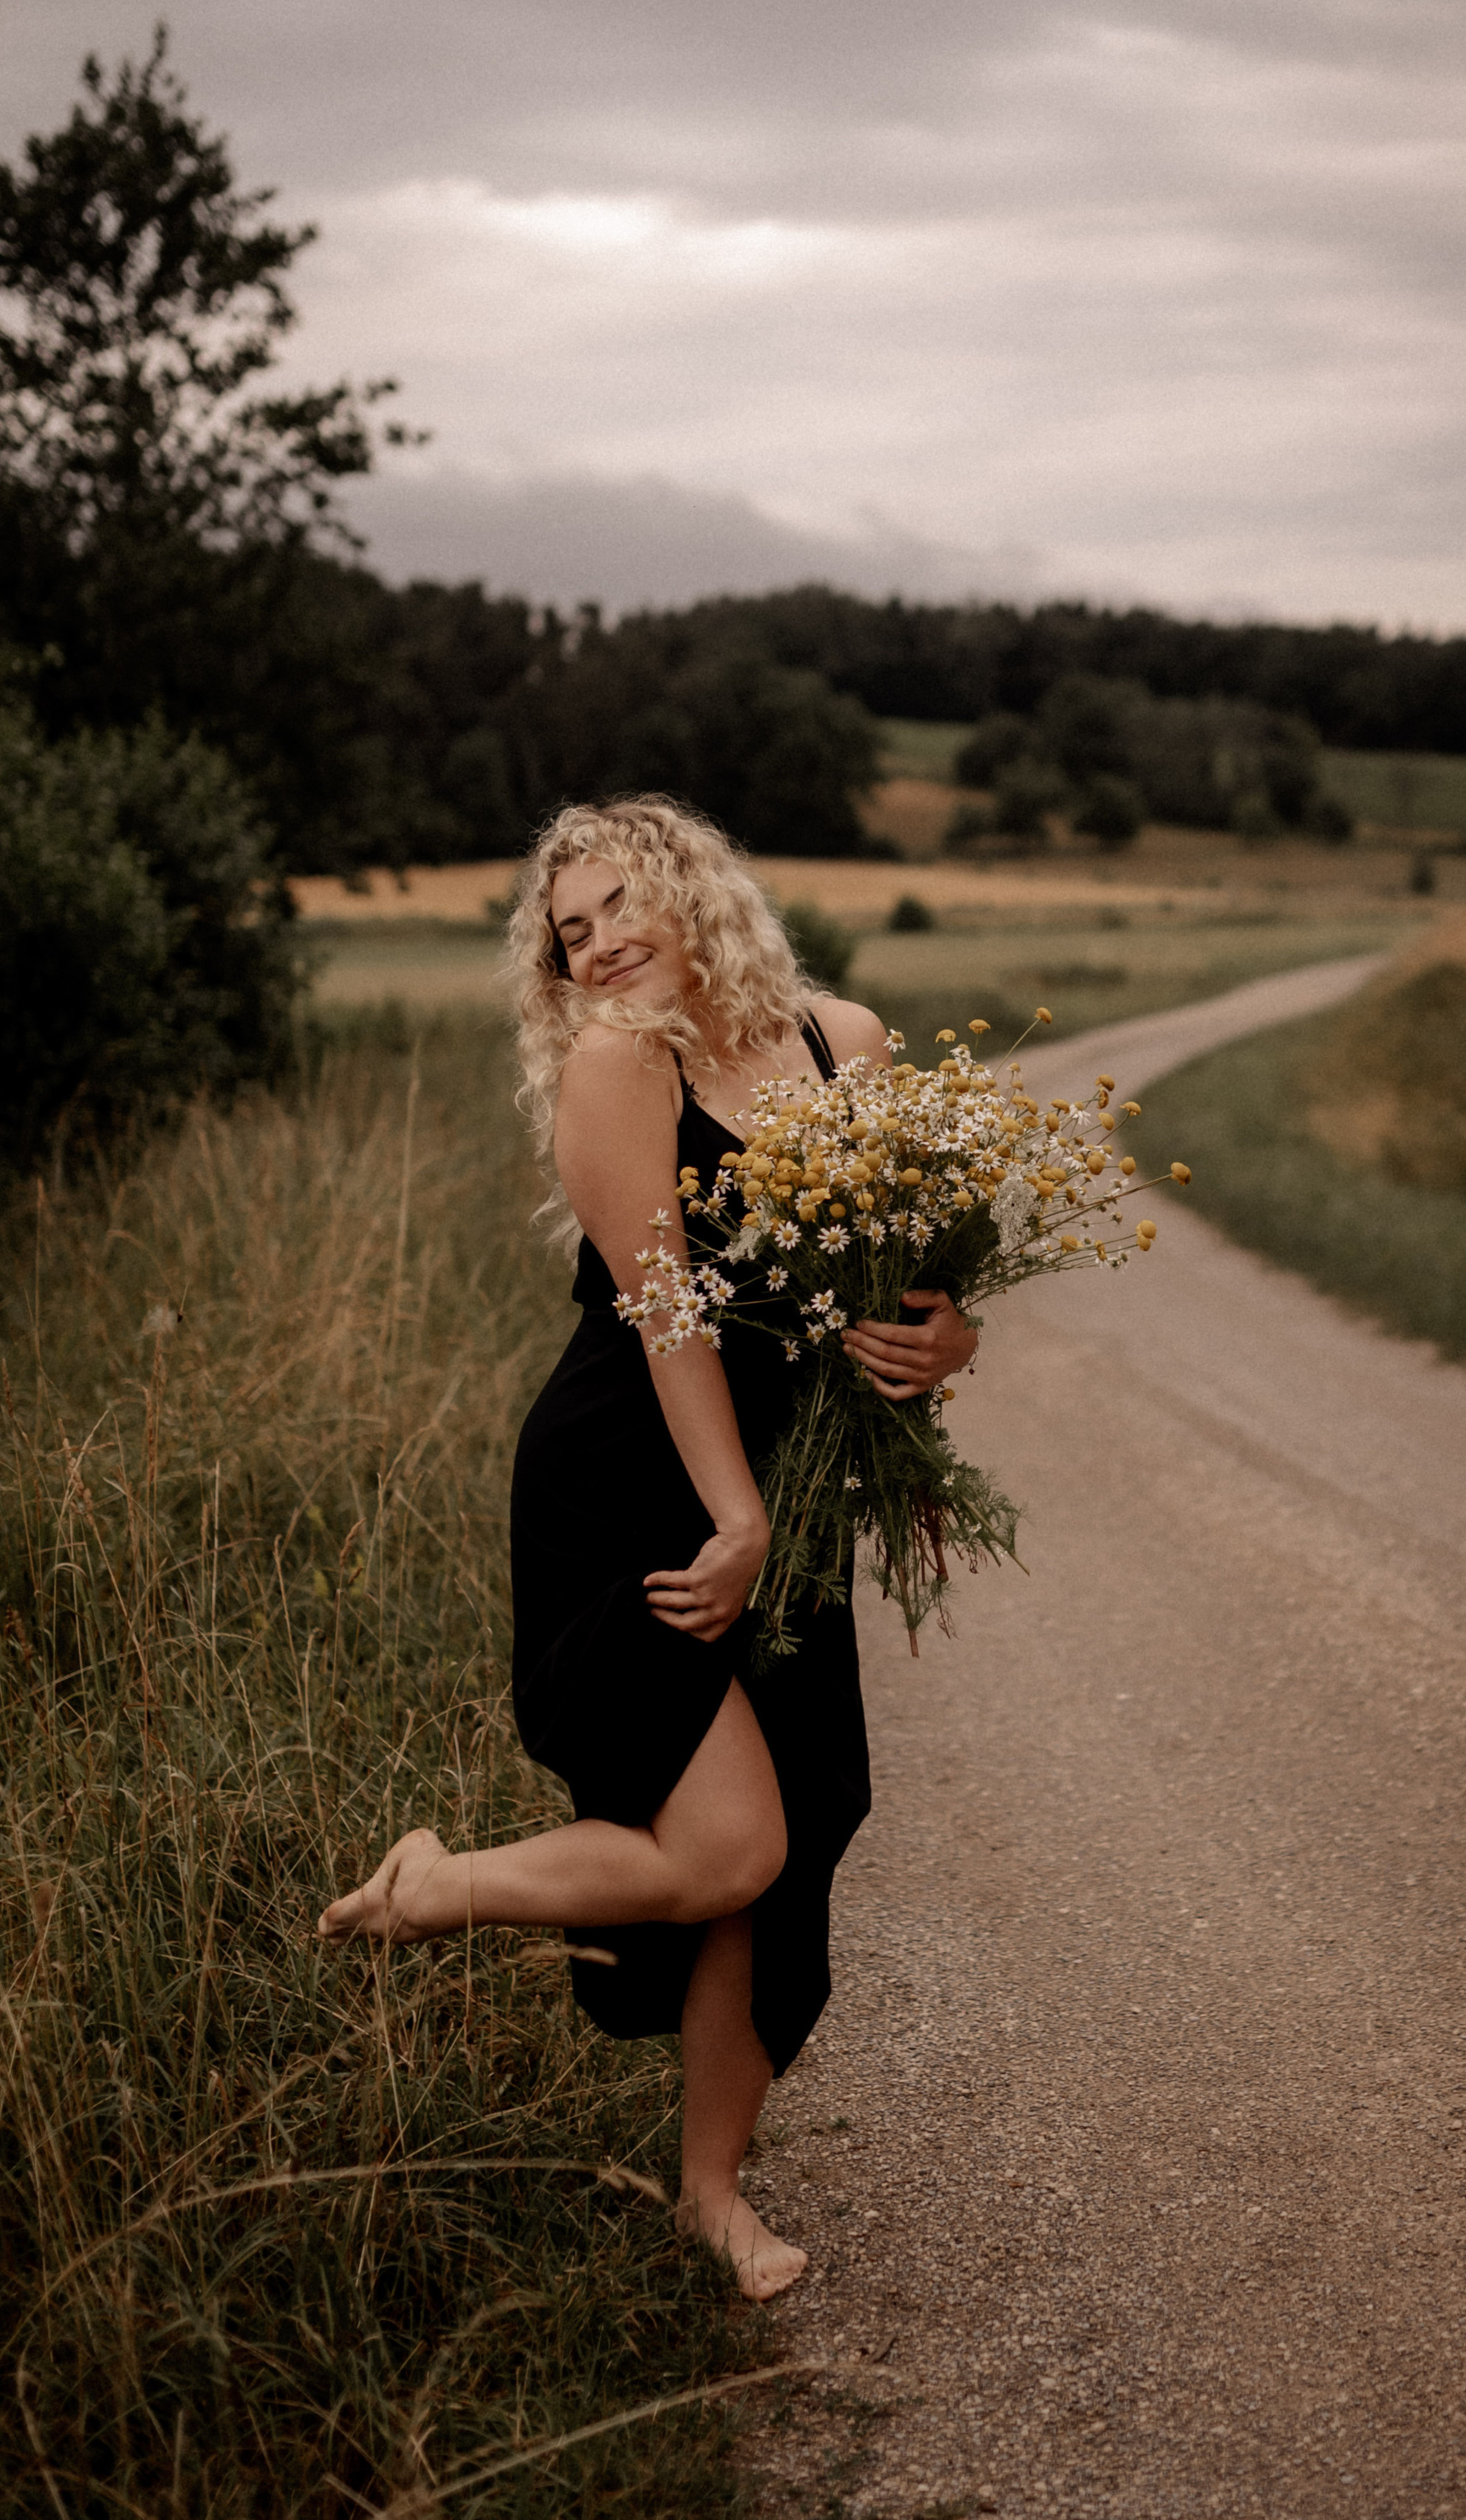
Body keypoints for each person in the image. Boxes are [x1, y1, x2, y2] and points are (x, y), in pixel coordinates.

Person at [319, 797, 977, 2297]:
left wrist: (946, 1341)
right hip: (629, 1481)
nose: (602, 942)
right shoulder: (619, 1066)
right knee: (725, 1840)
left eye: (624, 904)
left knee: (789, 1832)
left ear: (699, 894)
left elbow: (904, 1274)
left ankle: (710, 2195)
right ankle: (439, 1889)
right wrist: (731, 1516)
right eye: (571, 930)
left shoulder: (844, 1045)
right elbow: (662, 1310)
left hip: (781, 1483)